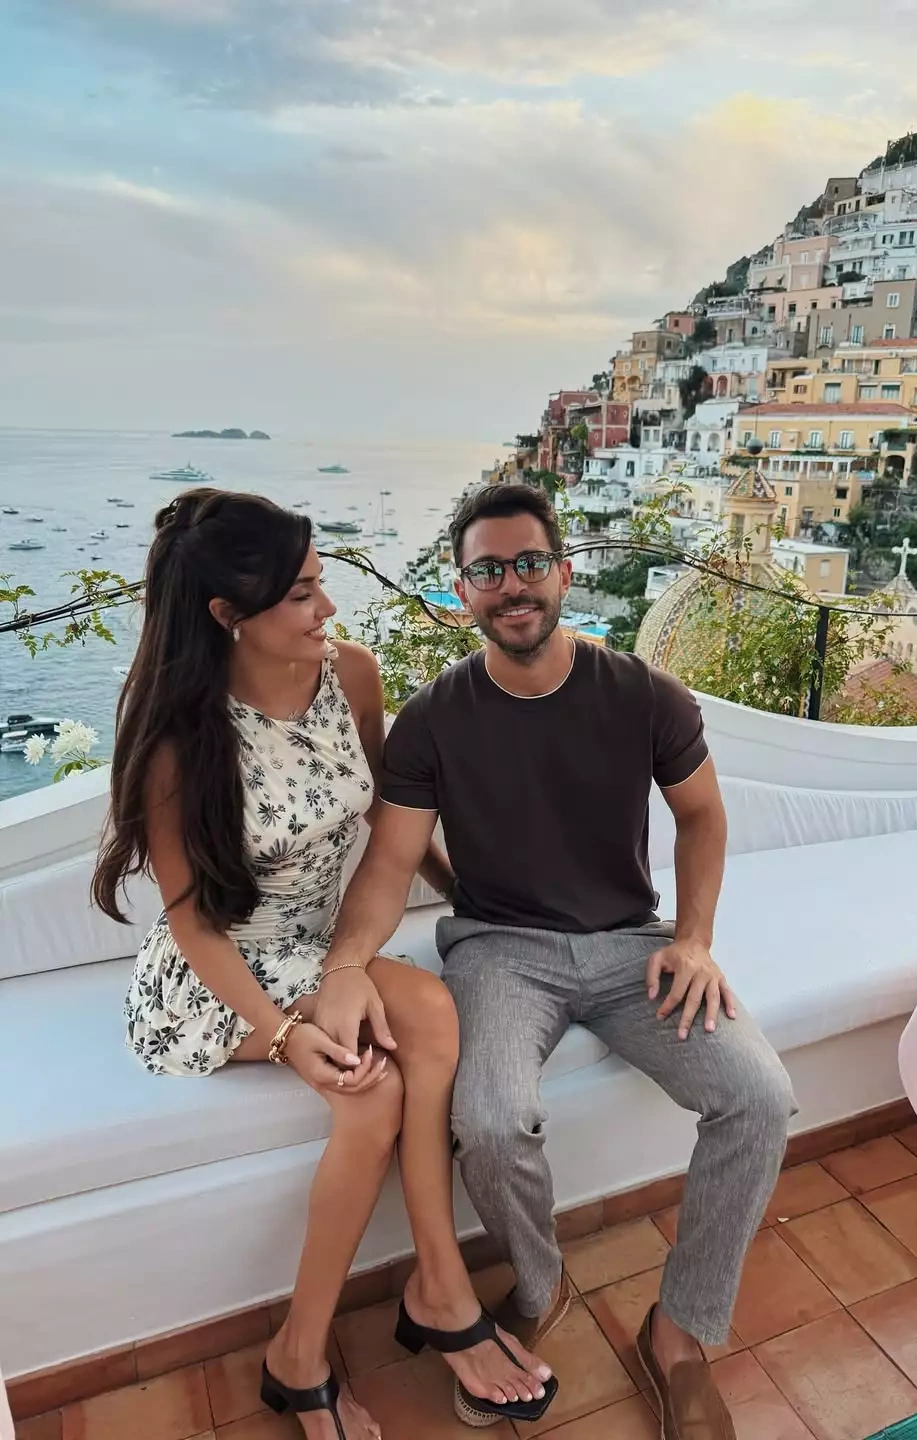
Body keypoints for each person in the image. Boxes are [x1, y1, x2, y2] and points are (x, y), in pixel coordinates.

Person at [315, 483, 797, 1440]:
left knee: (759, 1096)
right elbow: (391, 864)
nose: (513, 586)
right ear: (462, 590)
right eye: (488, 570)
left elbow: (702, 815)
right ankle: (539, 1287)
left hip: (633, 946)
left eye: (529, 562)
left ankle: (679, 1333)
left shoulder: (642, 694)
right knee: (490, 1121)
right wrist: (346, 963)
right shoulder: (435, 718)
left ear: (565, 573)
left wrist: (694, 939)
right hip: (501, 952)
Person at [92, 489, 554, 1440]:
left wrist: (466, 891)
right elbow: (194, 927)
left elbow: (388, 812)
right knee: (373, 1091)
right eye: (301, 594)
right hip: (215, 977)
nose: (327, 608)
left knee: (432, 1013)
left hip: (321, 946)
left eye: (319, 582)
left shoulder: (351, 674)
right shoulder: (182, 740)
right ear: (229, 614)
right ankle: (300, 1356)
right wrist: (283, 1036)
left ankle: (437, 1288)